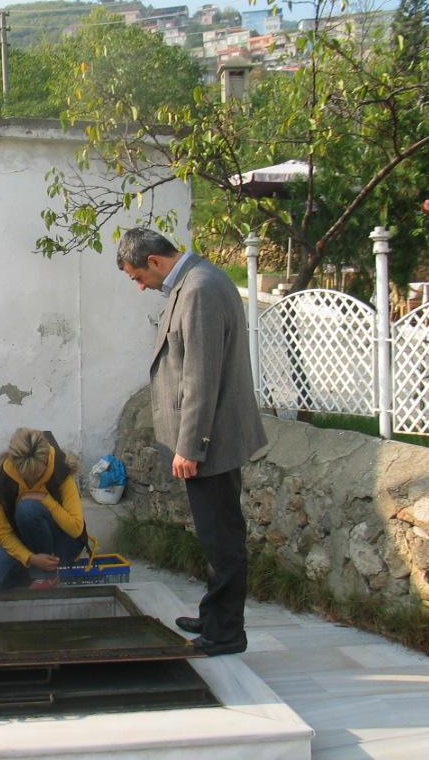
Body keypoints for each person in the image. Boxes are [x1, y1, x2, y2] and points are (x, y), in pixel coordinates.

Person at [116, 227, 267, 657]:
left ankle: (224, 633)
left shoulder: (198, 289)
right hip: (210, 439)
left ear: (155, 262)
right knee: (214, 535)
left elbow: (201, 377)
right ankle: (214, 614)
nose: (141, 286)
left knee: (222, 541)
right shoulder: (196, 280)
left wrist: (190, 446)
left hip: (211, 442)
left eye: (138, 277)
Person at [0, 429, 88, 591]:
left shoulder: (60, 469)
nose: (33, 480)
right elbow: (3, 533)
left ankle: (46, 577)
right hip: (27, 543)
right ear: (15, 464)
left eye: (38, 474)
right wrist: (30, 558)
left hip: (63, 544)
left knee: (28, 508)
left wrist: (46, 500)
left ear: (46, 461)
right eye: (27, 475)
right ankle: (30, 576)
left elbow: (77, 528)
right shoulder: (3, 480)